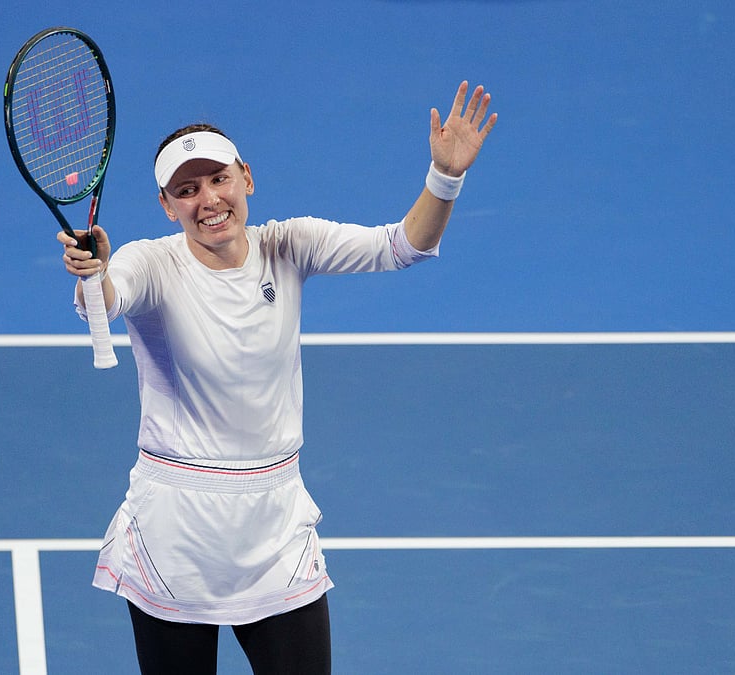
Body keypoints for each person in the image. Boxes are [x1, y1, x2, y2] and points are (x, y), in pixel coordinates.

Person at [57, 81, 496, 674]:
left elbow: (403, 246)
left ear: (246, 178)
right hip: (178, 527)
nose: (208, 200)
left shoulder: (289, 245)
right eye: (186, 190)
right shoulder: (149, 262)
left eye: (218, 180)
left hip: (275, 525)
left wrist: (445, 177)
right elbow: (107, 301)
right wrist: (95, 273)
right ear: (167, 205)